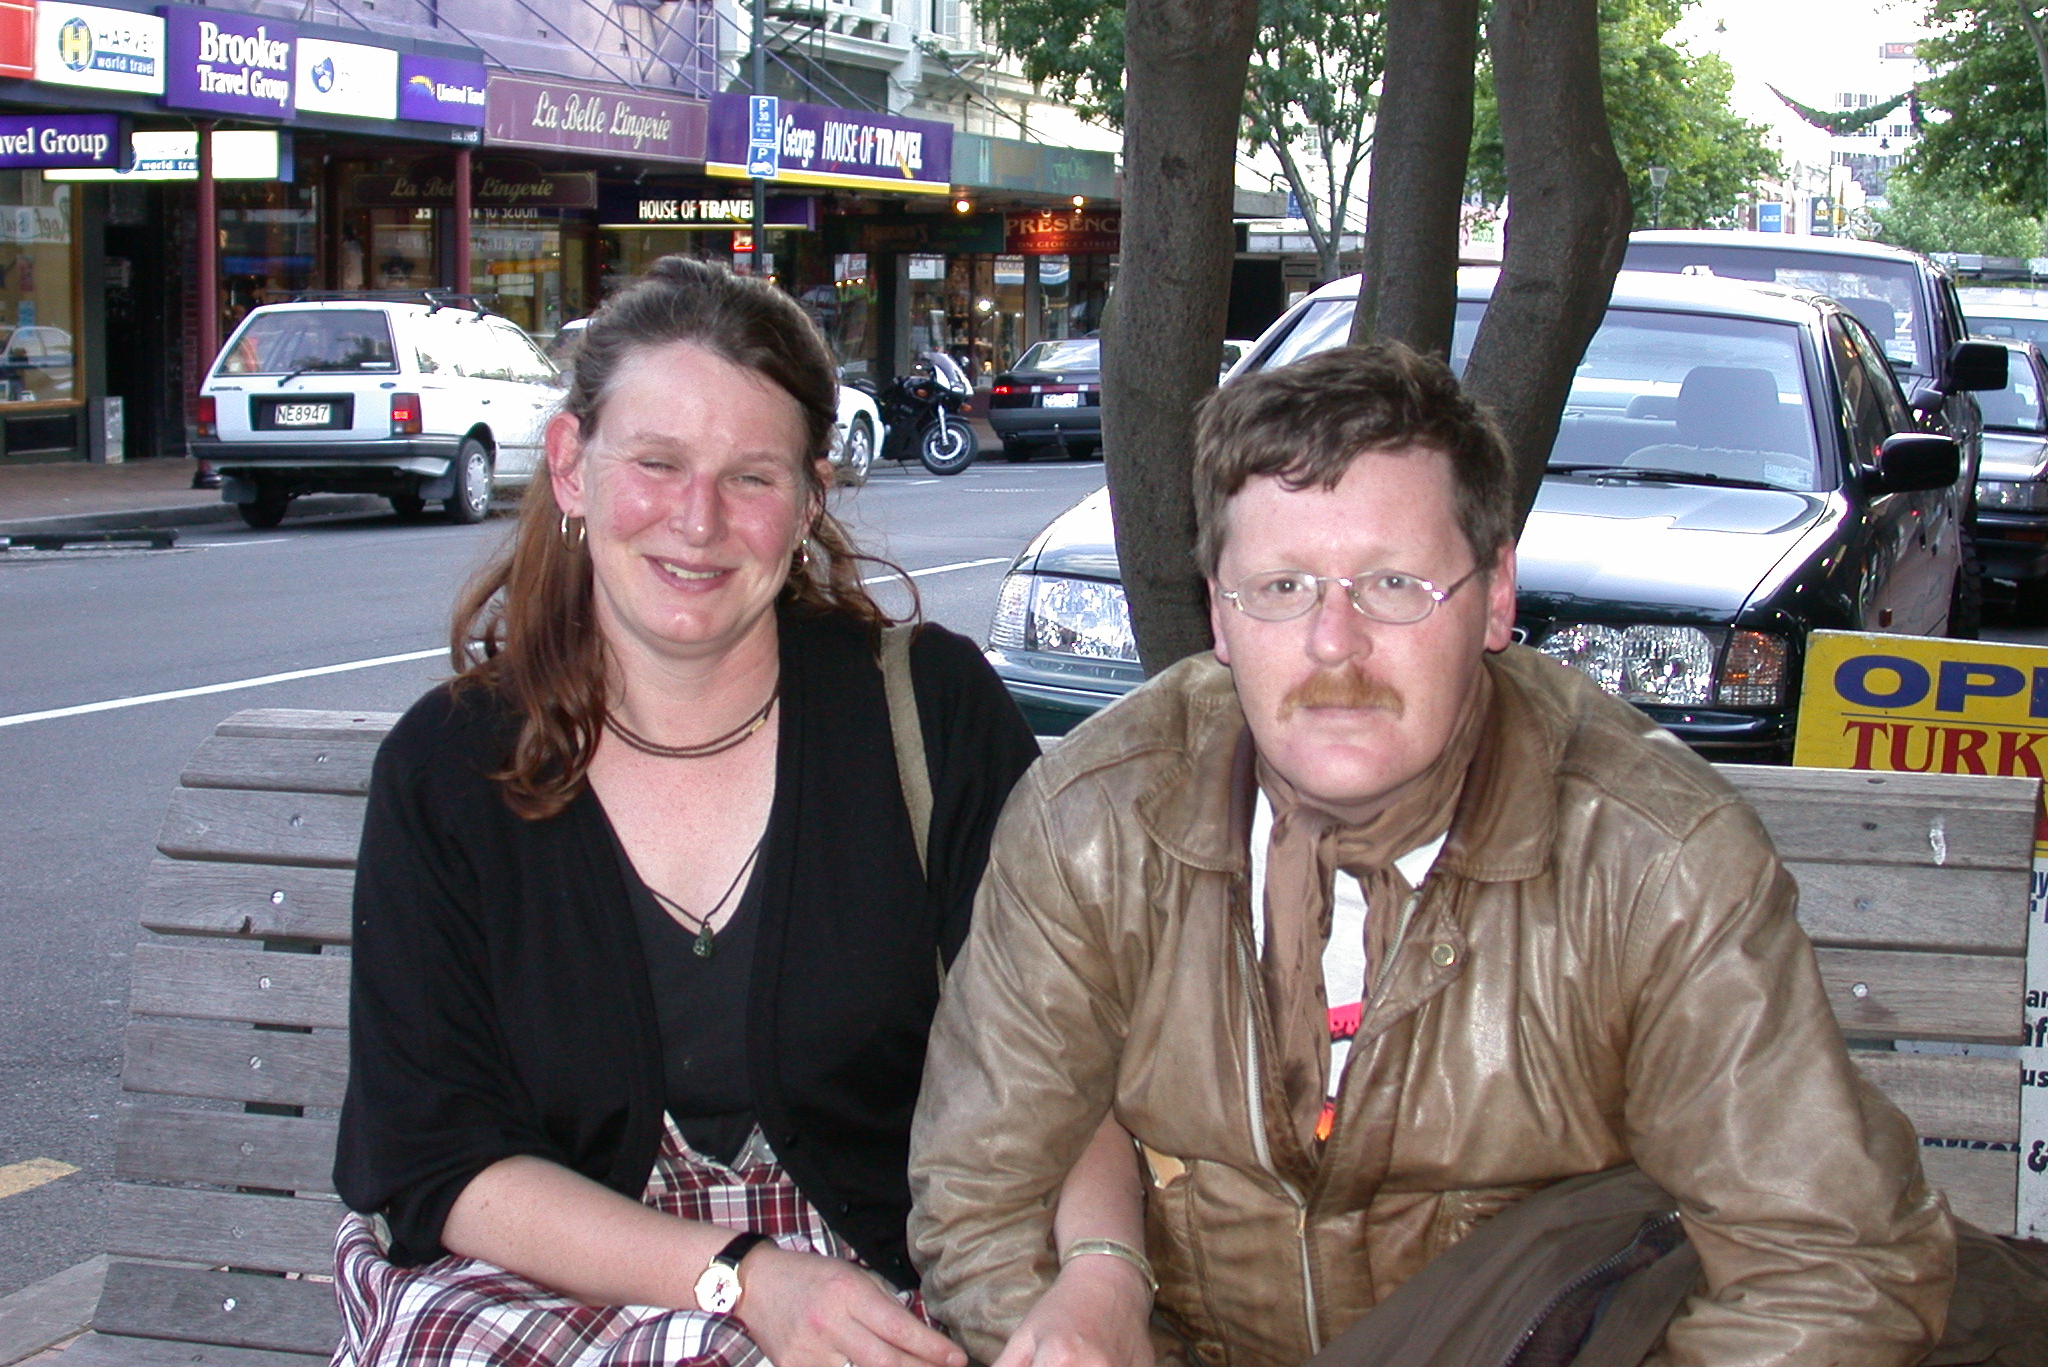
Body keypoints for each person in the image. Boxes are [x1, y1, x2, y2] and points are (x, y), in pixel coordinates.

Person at [908, 346, 1956, 1367]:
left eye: (1395, 583)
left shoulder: (1652, 863)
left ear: (1495, 596)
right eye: (1280, 586)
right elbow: (978, 1199)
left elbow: (1829, 1268)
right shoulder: (1093, 826)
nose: (1333, 642)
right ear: (1219, 614)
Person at [332, 257, 1096, 1367]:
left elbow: (1063, 1053)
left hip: (878, 1276)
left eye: (751, 477)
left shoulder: (927, 715)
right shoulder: (448, 769)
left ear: (809, 500)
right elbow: (433, 1156)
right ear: (571, 467)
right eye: (656, 463)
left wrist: (1102, 1278)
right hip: (553, 1278)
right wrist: (740, 1280)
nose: (697, 521)